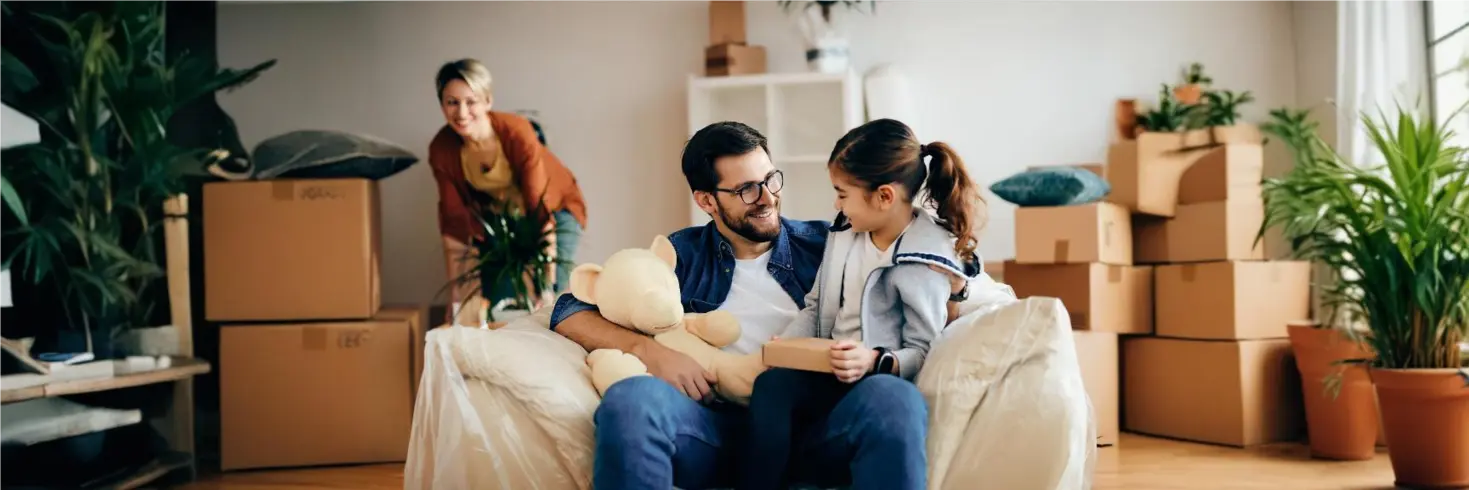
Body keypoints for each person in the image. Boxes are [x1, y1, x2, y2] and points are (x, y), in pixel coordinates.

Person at [548, 121, 978, 490]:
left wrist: (956, 292)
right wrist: (650, 351)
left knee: (893, 399)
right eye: (747, 190)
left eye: (771, 179)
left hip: (813, 425)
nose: (768, 197)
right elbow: (569, 308)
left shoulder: (828, 242)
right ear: (707, 201)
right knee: (631, 400)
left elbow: (940, 282)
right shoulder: (681, 256)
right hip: (713, 426)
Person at [740, 118, 986, 490]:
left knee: (892, 400)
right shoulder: (843, 234)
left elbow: (924, 350)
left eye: (842, 193)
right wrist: (787, 347)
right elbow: (815, 304)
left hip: (875, 382)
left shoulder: (925, 258)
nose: (836, 203)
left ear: (884, 196)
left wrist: (874, 360)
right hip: (825, 374)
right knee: (772, 387)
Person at [428, 58, 588, 322]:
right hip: (504, 220)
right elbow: (454, 225)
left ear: (487, 101)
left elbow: (540, 212)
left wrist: (546, 286)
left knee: (555, 300)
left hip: (556, 209)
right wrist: (456, 298)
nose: (462, 112)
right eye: (452, 102)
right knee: (497, 296)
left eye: (471, 101)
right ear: (442, 105)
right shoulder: (442, 148)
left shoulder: (517, 132)